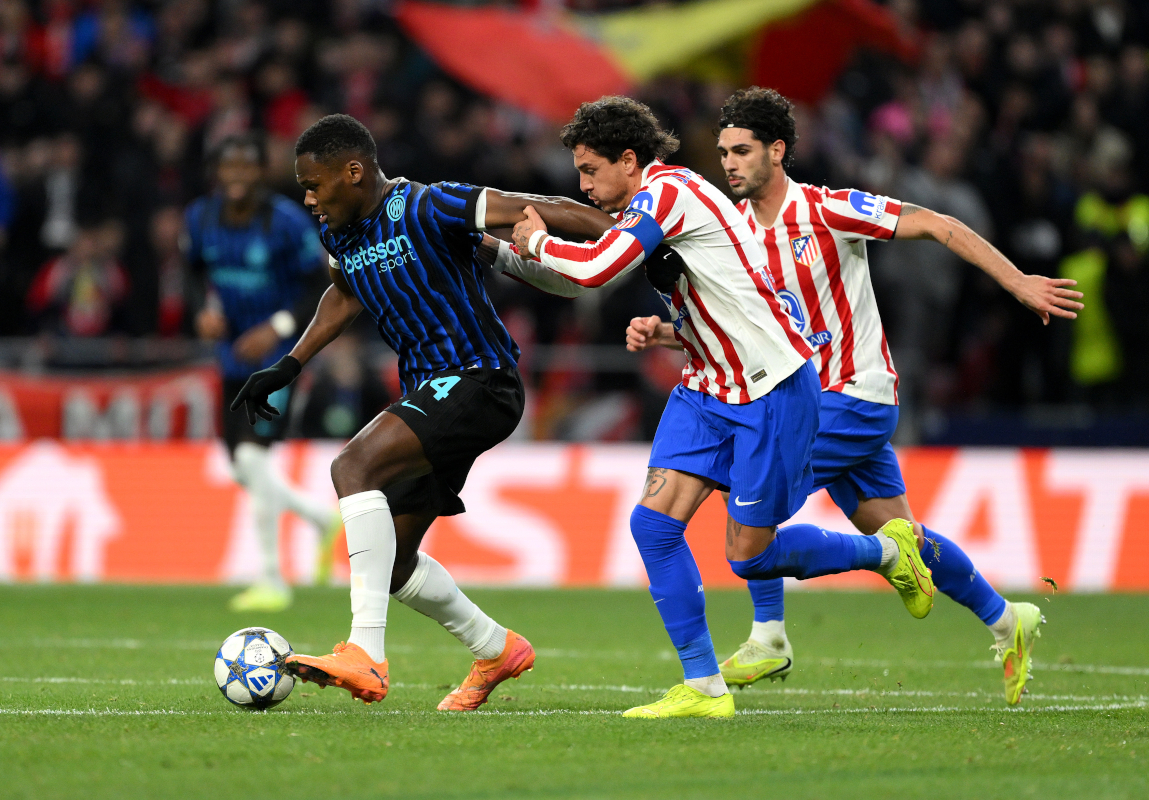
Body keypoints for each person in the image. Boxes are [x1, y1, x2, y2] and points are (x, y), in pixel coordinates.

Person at [625, 87, 1083, 705]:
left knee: (745, 490)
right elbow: (745, 336)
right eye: (723, 151)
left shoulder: (826, 210)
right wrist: (670, 334)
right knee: (902, 536)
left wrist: (1018, 282)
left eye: (742, 150)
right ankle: (1008, 620)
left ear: (777, 151)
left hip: (852, 394)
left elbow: (938, 225)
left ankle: (769, 637)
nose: (728, 163)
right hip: (803, 397)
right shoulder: (728, 234)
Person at [504, 96, 936, 720]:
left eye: (591, 170)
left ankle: (889, 552)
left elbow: (598, 271)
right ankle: (704, 686)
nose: (583, 185)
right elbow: (695, 290)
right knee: (653, 526)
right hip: (709, 385)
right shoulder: (647, 208)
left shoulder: (670, 191)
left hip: (771, 388)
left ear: (630, 161)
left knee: (749, 554)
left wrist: (539, 241)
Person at [231, 113, 615, 710]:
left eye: (314, 184)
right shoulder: (342, 234)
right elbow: (345, 290)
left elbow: (534, 207)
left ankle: (365, 655)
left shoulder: (431, 206)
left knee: (352, 468)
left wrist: (624, 235)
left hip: (479, 379)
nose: (307, 198)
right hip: (432, 389)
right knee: (391, 563)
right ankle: (496, 648)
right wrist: (291, 363)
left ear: (353, 172)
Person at [186, 133, 340, 613]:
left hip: (279, 358)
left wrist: (276, 327)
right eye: (228, 168)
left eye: (245, 168)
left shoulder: (287, 222)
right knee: (240, 468)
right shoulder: (200, 218)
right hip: (231, 355)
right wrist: (202, 309)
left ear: (259, 173)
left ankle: (272, 579)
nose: (236, 177)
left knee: (253, 461)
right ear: (218, 172)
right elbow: (191, 272)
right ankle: (319, 517)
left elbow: (321, 280)